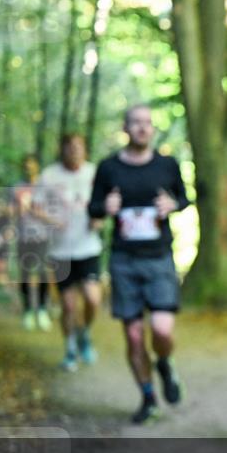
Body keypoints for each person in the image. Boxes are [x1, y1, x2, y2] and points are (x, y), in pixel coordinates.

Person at [88, 104, 190, 424]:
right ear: (125, 128)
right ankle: (148, 397)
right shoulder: (108, 167)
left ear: (152, 128)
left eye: (147, 123)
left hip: (159, 257)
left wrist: (173, 204)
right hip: (124, 260)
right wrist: (105, 207)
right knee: (133, 336)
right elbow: (92, 208)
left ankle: (165, 363)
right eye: (136, 123)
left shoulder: (167, 165)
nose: (143, 128)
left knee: (161, 329)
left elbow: (184, 199)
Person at [40, 133, 104, 372]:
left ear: (85, 149)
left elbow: (106, 204)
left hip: (88, 248)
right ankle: (69, 350)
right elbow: (34, 207)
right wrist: (52, 221)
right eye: (69, 147)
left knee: (93, 299)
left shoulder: (94, 173)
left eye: (78, 146)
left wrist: (99, 219)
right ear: (62, 150)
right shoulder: (49, 176)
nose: (74, 150)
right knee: (68, 306)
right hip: (60, 252)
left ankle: (84, 333)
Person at [12, 155, 52, 331]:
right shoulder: (16, 187)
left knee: (43, 272)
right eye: (26, 166)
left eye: (31, 165)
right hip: (23, 237)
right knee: (25, 274)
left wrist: (39, 213)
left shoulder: (46, 187)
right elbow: (10, 211)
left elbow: (54, 213)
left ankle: (42, 309)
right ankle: (28, 310)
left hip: (42, 237)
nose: (28, 169)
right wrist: (16, 209)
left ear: (37, 167)